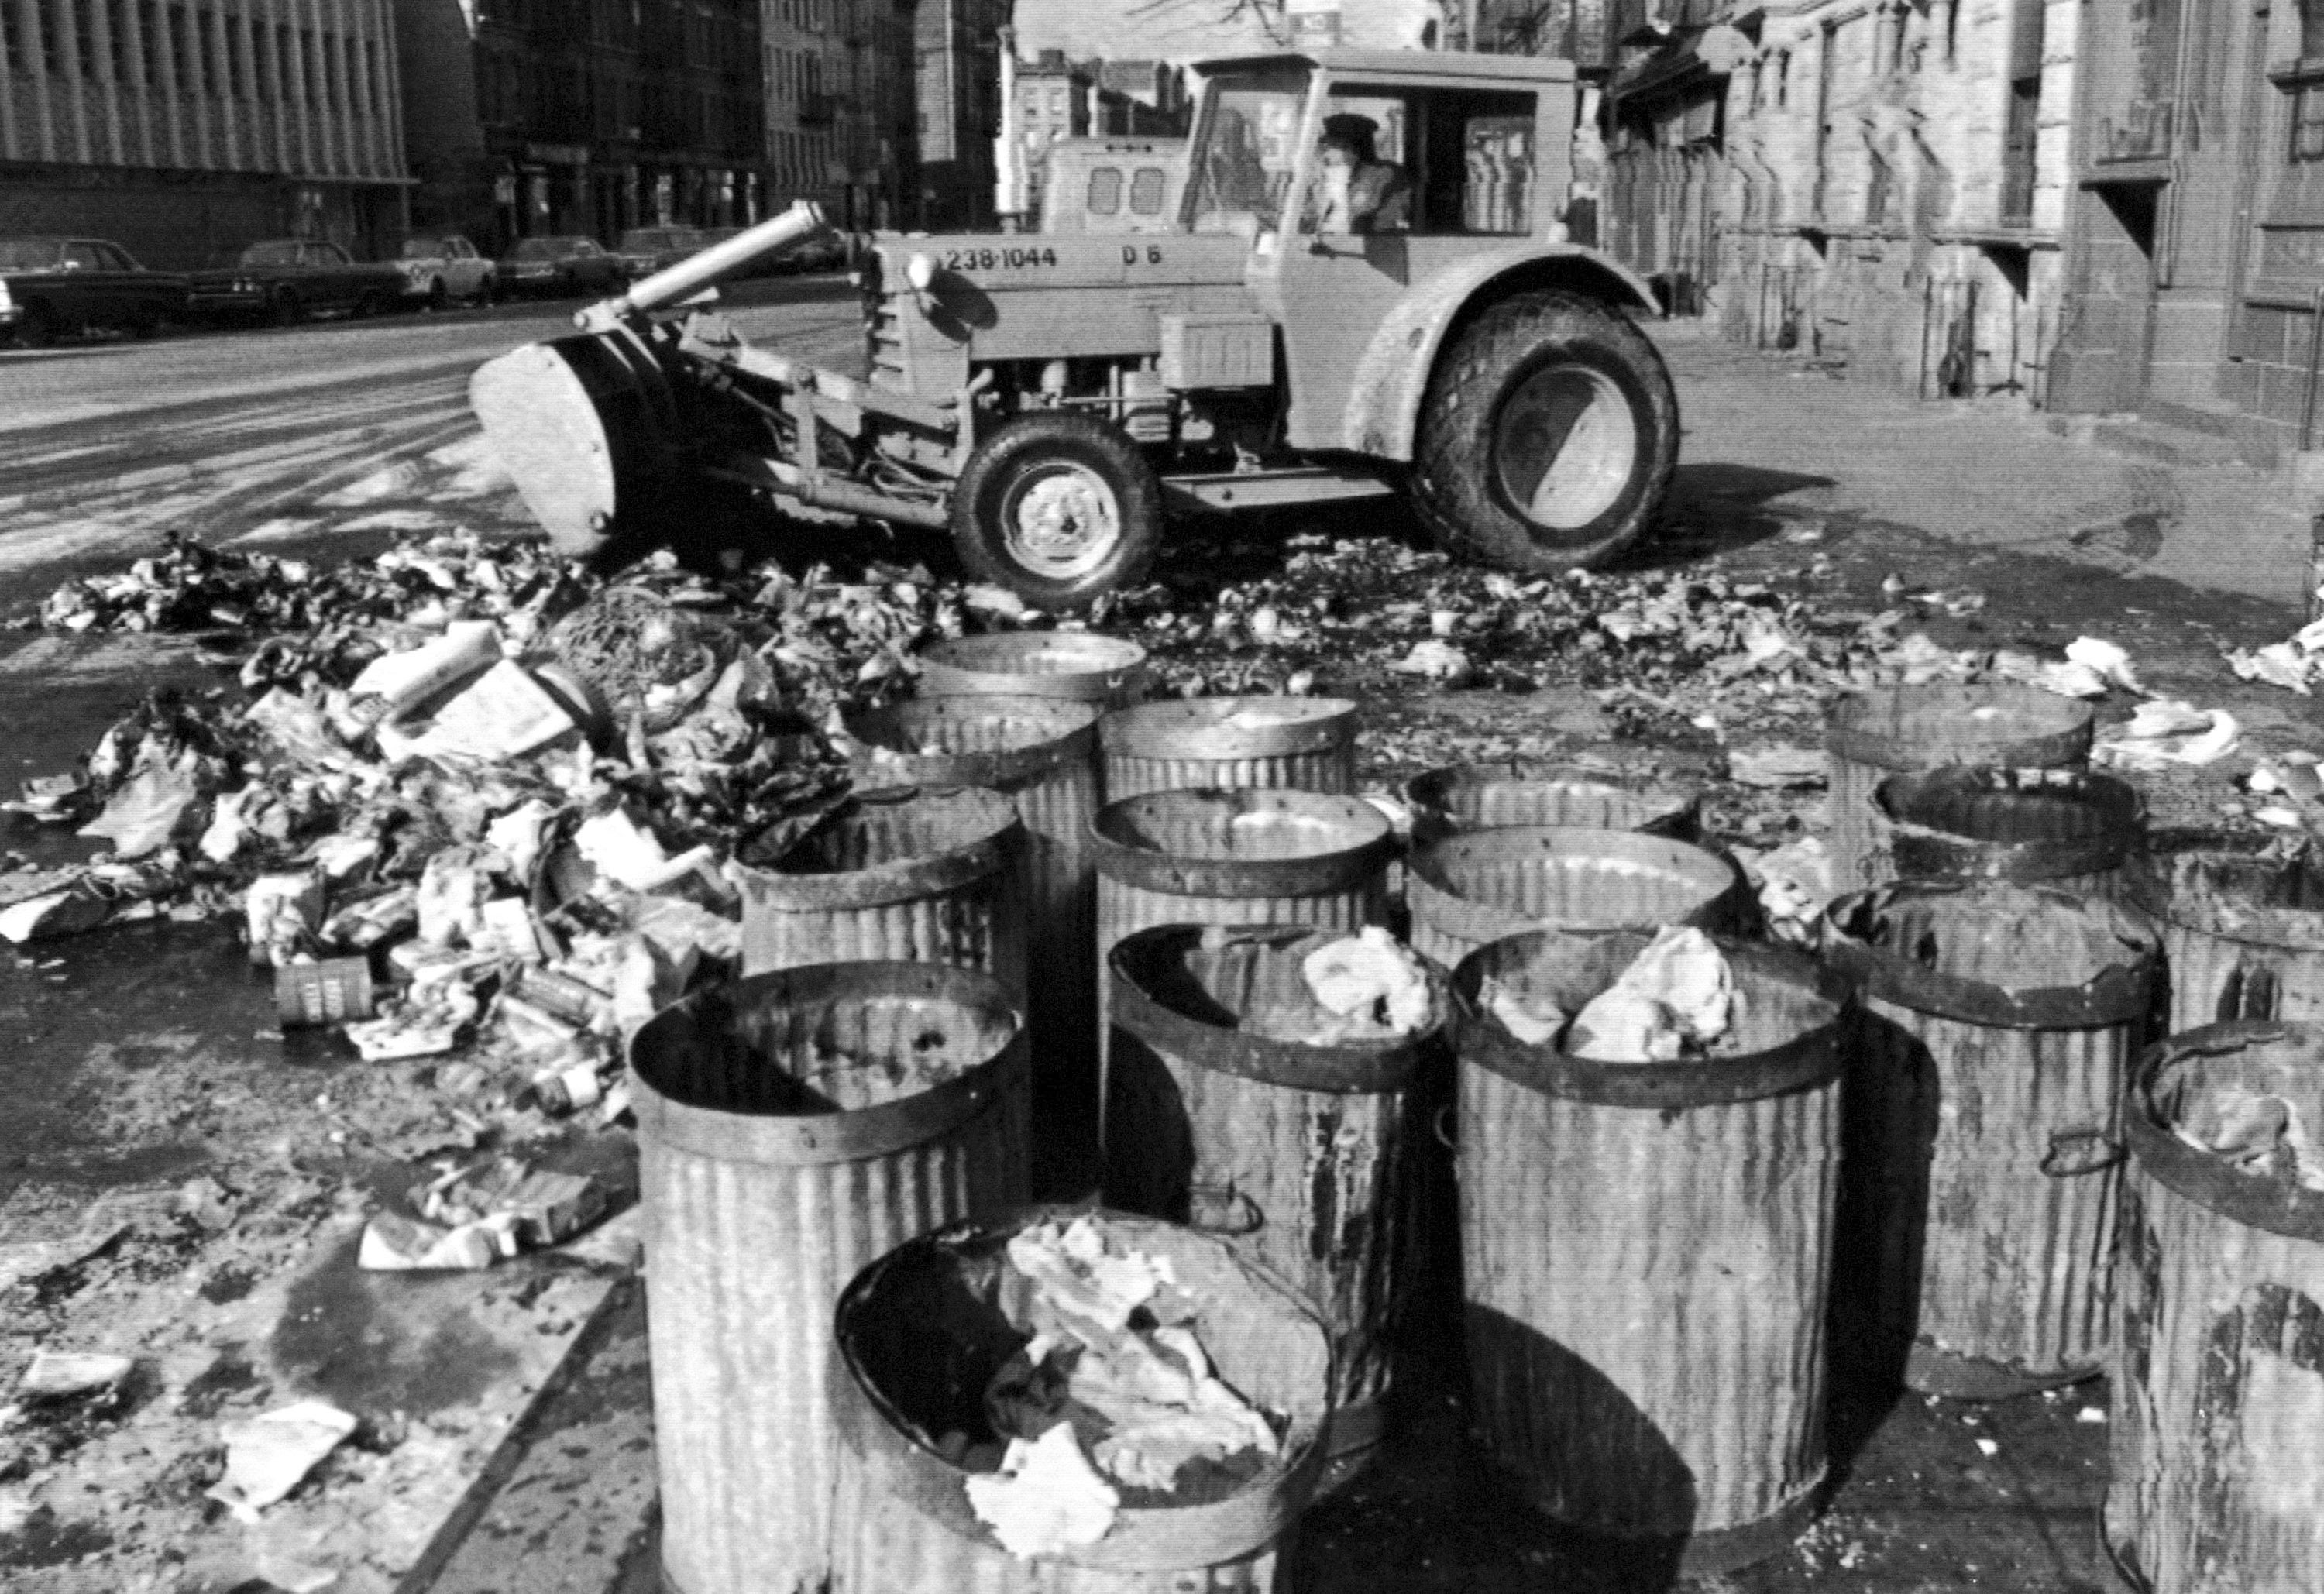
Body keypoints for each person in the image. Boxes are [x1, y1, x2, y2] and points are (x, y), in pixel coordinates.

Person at [1307, 113, 1412, 234]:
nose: (1326, 155)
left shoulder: (1382, 175)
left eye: (1330, 147)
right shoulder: (1346, 175)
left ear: (1349, 147)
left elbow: (1361, 221)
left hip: (1379, 246)